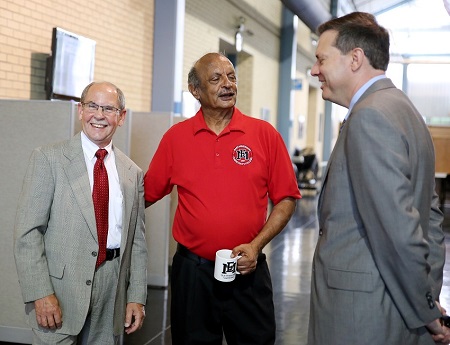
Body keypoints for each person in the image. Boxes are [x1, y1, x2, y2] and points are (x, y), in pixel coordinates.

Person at [307, 11, 450, 345]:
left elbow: (397, 230)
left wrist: (427, 313)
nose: (315, 70)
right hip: (394, 310)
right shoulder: (405, 110)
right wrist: (426, 296)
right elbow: (430, 218)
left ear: (355, 58)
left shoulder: (369, 117)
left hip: (360, 317)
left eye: (321, 59)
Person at [144, 52, 301, 345]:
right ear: (195, 90)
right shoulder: (176, 138)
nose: (227, 84)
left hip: (248, 269)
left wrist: (256, 246)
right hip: (193, 274)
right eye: (215, 79)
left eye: (231, 77)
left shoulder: (264, 134)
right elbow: (146, 194)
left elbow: (287, 198)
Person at [14, 81, 148, 344]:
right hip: (59, 289)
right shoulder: (48, 159)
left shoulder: (132, 172)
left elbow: (138, 242)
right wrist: (40, 292)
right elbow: (27, 234)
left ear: (121, 117)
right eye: (92, 106)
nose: (99, 115)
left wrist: (136, 297)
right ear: (80, 110)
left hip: (112, 287)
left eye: (108, 108)